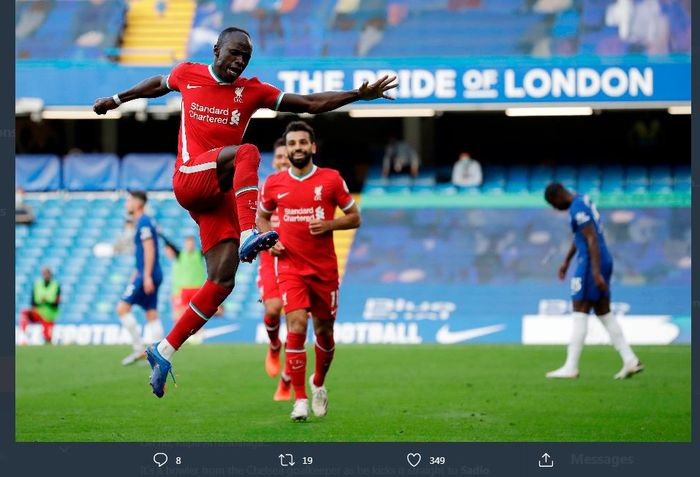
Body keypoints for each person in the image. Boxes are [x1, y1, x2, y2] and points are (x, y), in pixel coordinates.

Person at [93, 27, 395, 398]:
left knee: (222, 281)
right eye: (234, 53)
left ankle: (164, 349)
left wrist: (357, 95)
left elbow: (311, 104)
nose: (239, 61)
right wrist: (116, 98)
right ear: (216, 49)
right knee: (248, 152)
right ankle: (252, 232)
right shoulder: (189, 73)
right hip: (189, 177)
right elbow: (158, 82)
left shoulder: (252, 91)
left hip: (216, 195)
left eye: (246, 58)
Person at [258, 121, 361, 421]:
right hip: (290, 267)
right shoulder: (274, 183)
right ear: (286, 149)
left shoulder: (330, 180)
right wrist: (268, 240)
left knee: (325, 333)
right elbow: (262, 218)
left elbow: (354, 216)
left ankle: (318, 383)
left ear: (313, 147)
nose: (298, 148)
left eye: (303, 142)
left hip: (325, 270)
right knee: (297, 326)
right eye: (292, 144)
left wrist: (330, 224)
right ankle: (300, 399)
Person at [544, 183, 644, 380]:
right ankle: (630, 360)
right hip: (600, 258)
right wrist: (566, 261)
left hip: (591, 261)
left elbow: (591, 239)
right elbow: (582, 235)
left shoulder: (577, 207)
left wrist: (596, 272)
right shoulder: (583, 200)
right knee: (603, 312)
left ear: (557, 197)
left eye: (553, 204)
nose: (555, 209)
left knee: (579, 309)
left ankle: (570, 366)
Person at [257, 138, 292, 387]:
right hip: (270, 257)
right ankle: (273, 345)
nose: (283, 161)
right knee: (272, 309)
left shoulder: (305, 186)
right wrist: (268, 240)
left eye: (287, 157)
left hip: (299, 257)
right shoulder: (265, 188)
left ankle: (288, 381)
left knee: (296, 321)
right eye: (279, 157)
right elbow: (256, 219)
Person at [118, 191, 165, 366]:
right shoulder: (143, 222)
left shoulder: (143, 222)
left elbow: (149, 249)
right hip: (149, 272)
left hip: (148, 273)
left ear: (138, 203)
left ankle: (139, 349)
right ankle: (160, 354)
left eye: (129, 200)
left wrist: (145, 276)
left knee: (122, 308)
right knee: (151, 313)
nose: (126, 204)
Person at [19, 267, 60, 345]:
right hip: (38, 312)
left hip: (49, 316)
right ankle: (23, 336)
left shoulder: (56, 285)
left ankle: (47, 340)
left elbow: (56, 303)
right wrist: (40, 303)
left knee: (48, 338)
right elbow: (32, 301)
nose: (46, 275)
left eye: (47, 273)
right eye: (44, 274)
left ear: (50, 275)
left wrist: (46, 301)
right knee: (24, 313)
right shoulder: (37, 284)